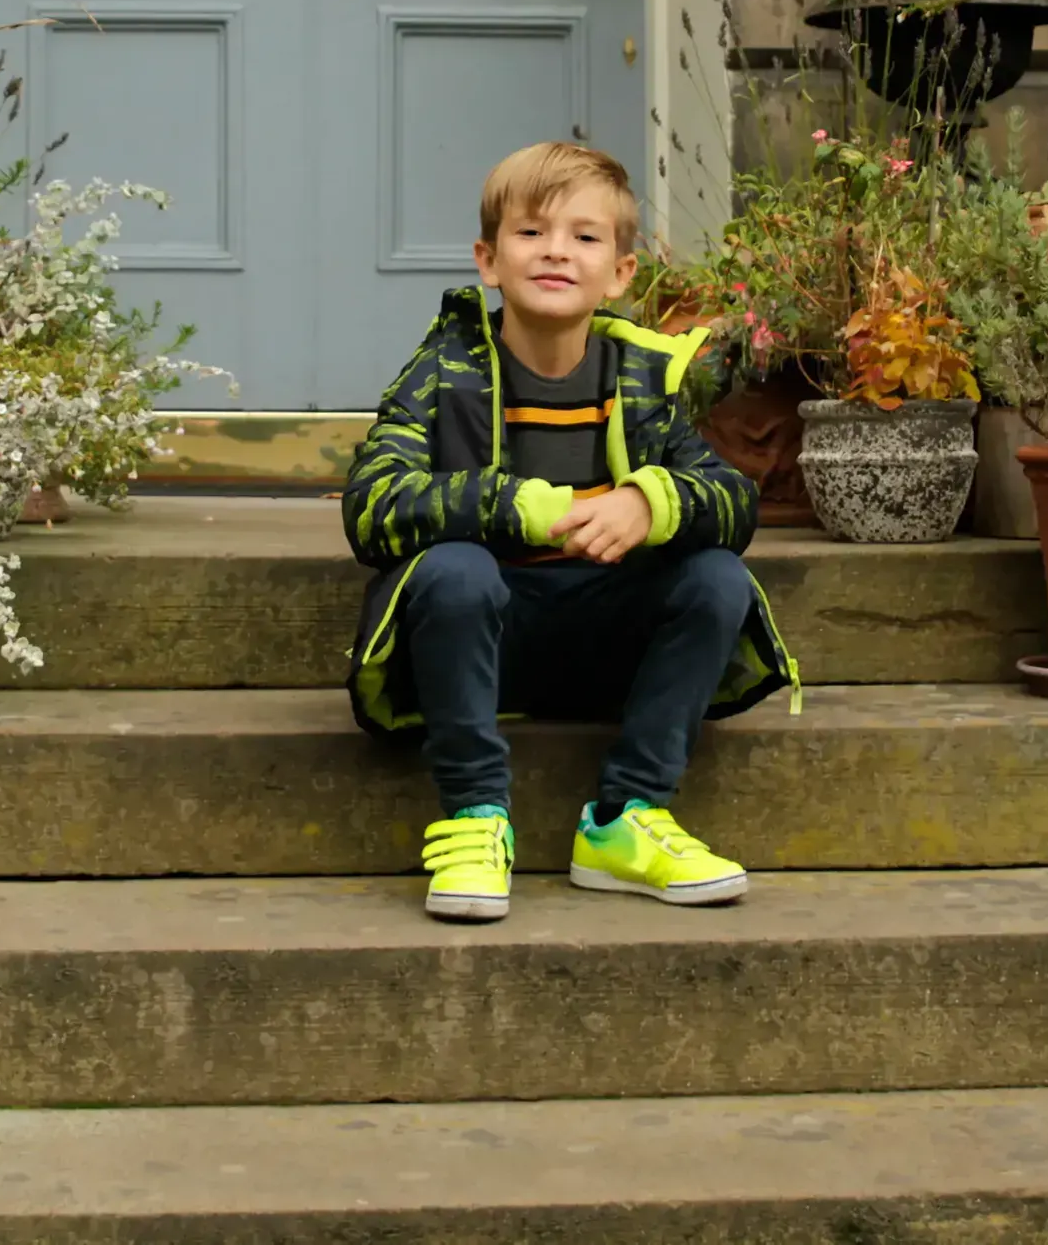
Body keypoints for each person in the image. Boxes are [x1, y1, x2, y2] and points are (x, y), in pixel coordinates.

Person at [341, 140, 797, 924]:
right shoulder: (442, 371)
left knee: (716, 578)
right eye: (531, 233)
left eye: (585, 237)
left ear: (620, 273)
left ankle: (625, 821)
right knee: (453, 570)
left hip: (606, 652)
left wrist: (650, 503)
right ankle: (476, 818)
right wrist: (510, 506)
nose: (557, 251)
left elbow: (732, 502)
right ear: (488, 261)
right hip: (473, 646)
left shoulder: (644, 379)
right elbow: (372, 506)